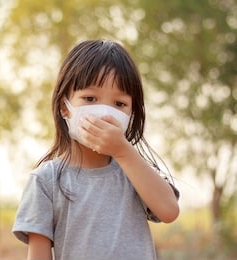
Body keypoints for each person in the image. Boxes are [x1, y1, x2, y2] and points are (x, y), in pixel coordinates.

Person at [12, 39, 180, 260]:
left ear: (131, 114)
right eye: (90, 99)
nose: (105, 113)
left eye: (119, 104)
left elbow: (169, 211)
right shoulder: (46, 181)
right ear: (65, 107)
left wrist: (124, 152)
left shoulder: (134, 172)